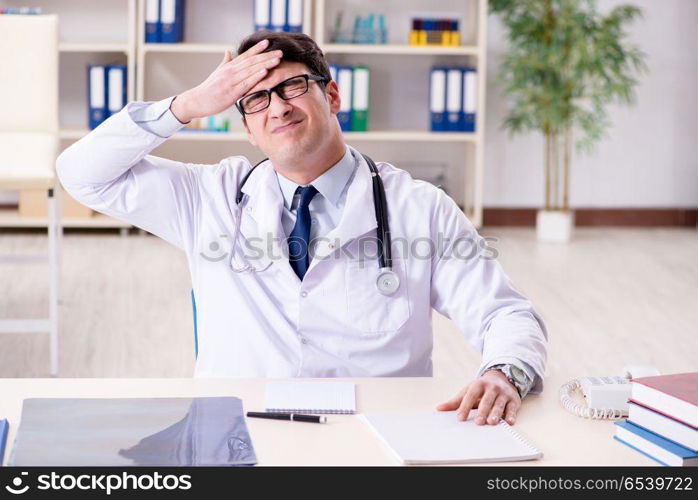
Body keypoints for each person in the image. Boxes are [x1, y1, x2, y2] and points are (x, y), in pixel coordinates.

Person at [56, 31, 547, 427]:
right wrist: (186, 105)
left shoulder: (419, 207)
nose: (278, 107)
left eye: (292, 87)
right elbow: (81, 173)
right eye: (255, 100)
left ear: (332, 95)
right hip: (239, 428)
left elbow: (504, 313)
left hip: (375, 431)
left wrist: (504, 373)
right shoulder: (209, 195)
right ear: (247, 128)